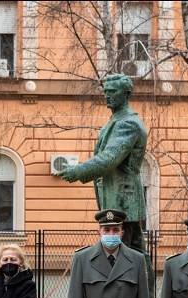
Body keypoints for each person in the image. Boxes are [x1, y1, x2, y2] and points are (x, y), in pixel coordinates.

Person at [57, 73, 148, 257]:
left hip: (123, 201)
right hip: (118, 200)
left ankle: (138, 287)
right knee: (135, 256)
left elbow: (109, 158)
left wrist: (78, 171)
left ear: (126, 93)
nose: (107, 95)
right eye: (106, 91)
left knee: (125, 258)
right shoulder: (114, 122)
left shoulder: (128, 123)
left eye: (113, 91)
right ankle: (144, 287)